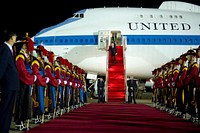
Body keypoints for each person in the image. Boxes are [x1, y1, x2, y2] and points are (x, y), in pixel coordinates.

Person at [0, 30, 20, 133]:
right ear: (11, 37)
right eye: (15, 36)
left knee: (8, 109)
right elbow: (1, 66)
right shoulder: (4, 49)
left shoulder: (10, 49)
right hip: (7, 84)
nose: (16, 38)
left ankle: (5, 128)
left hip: (12, 84)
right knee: (5, 108)